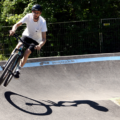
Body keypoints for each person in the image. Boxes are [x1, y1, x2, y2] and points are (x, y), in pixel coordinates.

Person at [7, 4, 47, 78]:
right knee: (18, 46)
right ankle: (8, 63)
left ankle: (18, 69)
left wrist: (40, 45)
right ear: (32, 12)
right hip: (26, 35)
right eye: (34, 12)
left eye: (37, 12)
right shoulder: (28, 16)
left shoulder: (43, 22)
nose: (35, 14)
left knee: (27, 52)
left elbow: (44, 38)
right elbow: (16, 25)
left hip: (36, 40)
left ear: (40, 13)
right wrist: (13, 30)